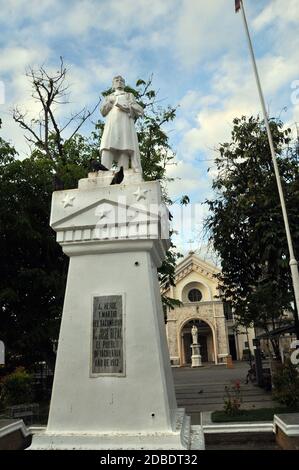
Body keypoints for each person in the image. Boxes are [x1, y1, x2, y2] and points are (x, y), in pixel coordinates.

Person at [100, 76, 144, 173]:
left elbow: (137, 109)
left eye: (121, 81)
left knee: (124, 146)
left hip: (125, 124)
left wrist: (128, 107)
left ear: (124, 84)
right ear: (113, 84)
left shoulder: (129, 95)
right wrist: (110, 102)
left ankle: (122, 173)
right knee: (107, 145)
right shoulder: (109, 96)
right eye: (117, 80)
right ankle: (103, 171)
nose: (119, 82)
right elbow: (103, 112)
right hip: (111, 124)